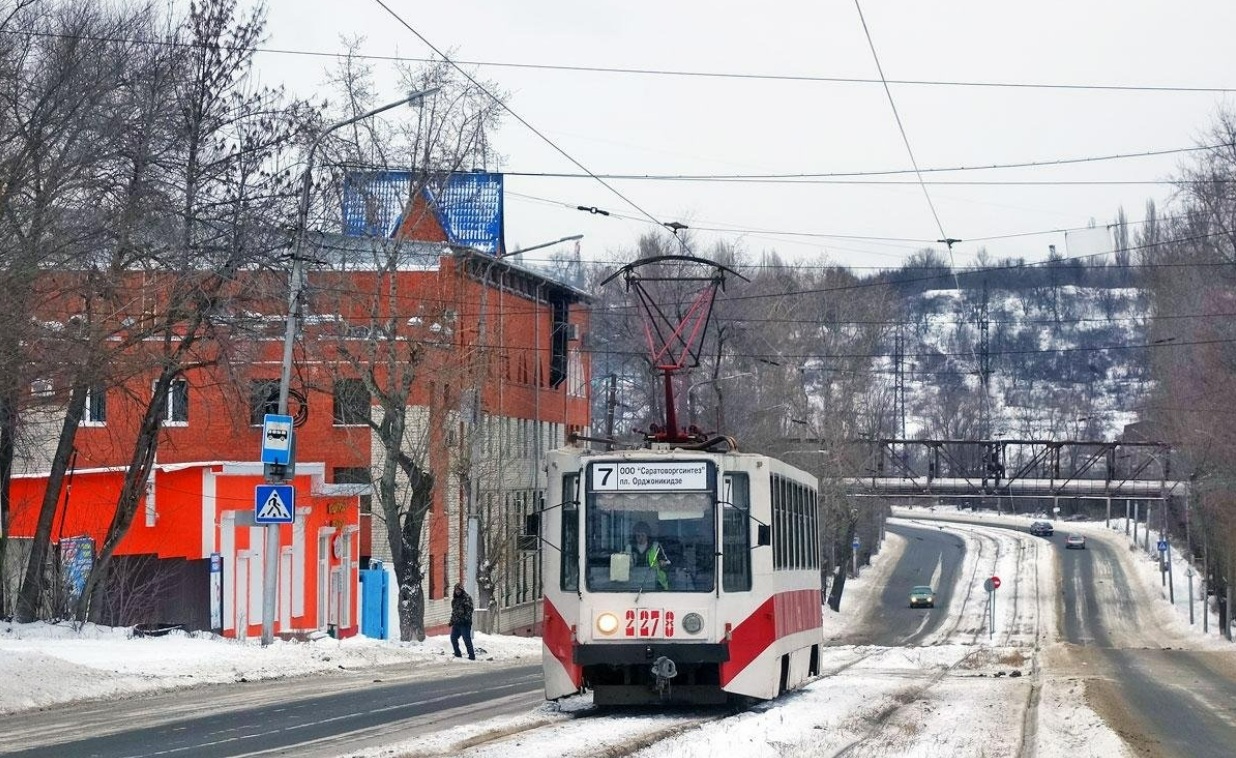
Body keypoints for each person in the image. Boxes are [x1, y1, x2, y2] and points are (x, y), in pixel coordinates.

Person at [628, 521, 670, 590]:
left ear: (647, 535)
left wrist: (662, 563)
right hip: (634, 582)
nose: (640, 538)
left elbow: (667, 562)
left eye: (643, 535)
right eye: (638, 536)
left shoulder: (656, 546)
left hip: (656, 582)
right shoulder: (629, 547)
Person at [449, 582, 475, 660]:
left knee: (466, 639)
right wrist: (452, 621)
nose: (457, 591)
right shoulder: (455, 600)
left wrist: (465, 620)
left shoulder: (467, 598)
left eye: (459, 590)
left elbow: (469, 611)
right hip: (456, 623)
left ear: (462, 590)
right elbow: (454, 612)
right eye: (456, 590)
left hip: (464, 624)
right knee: (453, 638)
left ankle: (471, 655)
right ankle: (457, 654)